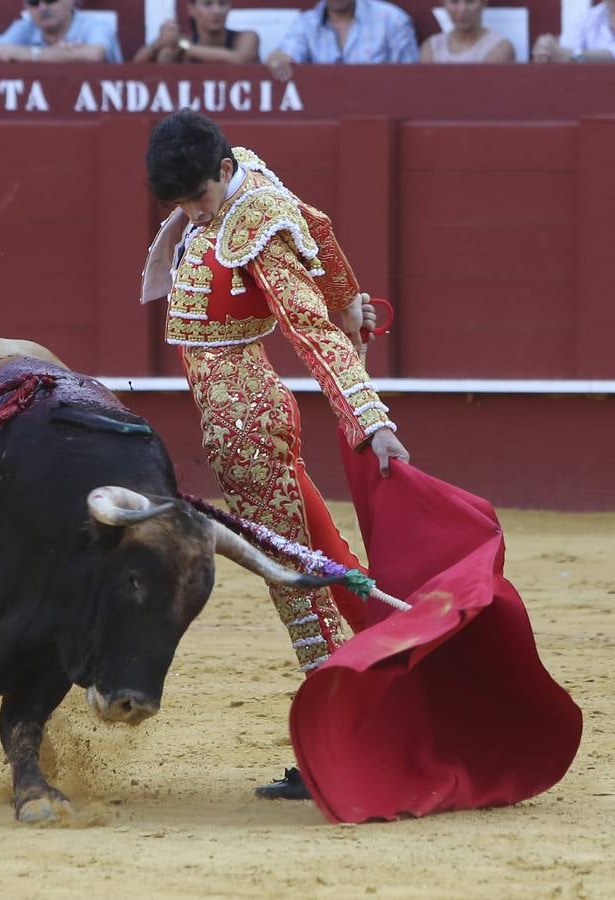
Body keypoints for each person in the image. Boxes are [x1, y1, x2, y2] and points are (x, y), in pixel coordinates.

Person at [142, 110, 410, 799]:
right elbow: (316, 222)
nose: (192, 213)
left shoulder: (250, 224)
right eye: (179, 204)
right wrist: (349, 298)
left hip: (246, 427)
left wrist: (368, 418)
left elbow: (309, 331)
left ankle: (339, 744)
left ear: (223, 172)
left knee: (298, 585)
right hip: (244, 417)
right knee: (330, 564)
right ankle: (401, 685)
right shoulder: (247, 178)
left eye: (198, 198)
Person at [265, 0, 418, 79]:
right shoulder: (307, 23)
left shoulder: (391, 19)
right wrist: (278, 58)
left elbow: (411, 76)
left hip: (380, 111)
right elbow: (287, 53)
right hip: (324, 112)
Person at [0, 0, 123, 64]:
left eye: (51, 0)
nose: (43, 8)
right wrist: (55, 54)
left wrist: (31, 55)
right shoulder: (25, 27)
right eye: (34, 3)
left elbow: (94, 55)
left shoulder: (95, 25)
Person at [133, 0, 260, 65]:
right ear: (191, 9)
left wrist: (182, 45)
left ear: (229, 7)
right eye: (208, 4)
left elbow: (239, 59)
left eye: (222, 3)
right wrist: (161, 42)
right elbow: (138, 66)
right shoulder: (182, 43)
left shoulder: (246, 37)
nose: (216, 11)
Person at [420, 0, 515, 63]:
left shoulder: (500, 48)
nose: (462, 9)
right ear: (443, 3)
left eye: (470, 1)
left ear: (484, 2)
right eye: (454, 1)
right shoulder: (431, 47)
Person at [532, 0, 615, 63]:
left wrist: (573, 55)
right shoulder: (591, 16)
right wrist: (547, 49)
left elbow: (612, 55)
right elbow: (564, 50)